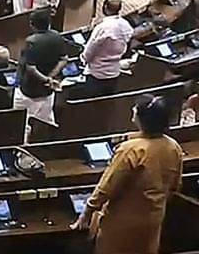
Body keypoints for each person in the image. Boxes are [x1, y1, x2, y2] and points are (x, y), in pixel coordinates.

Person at [71, 95, 183, 254]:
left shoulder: (130, 150)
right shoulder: (173, 146)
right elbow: (175, 186)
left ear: (142, 118)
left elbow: (107, 186)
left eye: (135, 108)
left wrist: (87, 213)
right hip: (153, 219)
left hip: (122, 222)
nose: (133, 109)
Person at [13, 9, 66, 140]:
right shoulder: (57, 37)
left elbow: (30, 68)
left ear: (32, 24)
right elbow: (64, 59)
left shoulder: (31, 41)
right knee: (46, 122)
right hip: (48, 90)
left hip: (28, 91)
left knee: (20, 124)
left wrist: (46, 78)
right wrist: (51, 77)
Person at [81, 0, 132, 98]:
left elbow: (90, 50)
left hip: (96, 75)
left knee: (92, 105)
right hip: (114, 73)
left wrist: (83, 59)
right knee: (106, 104)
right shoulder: (126, 25)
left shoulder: (102, 28)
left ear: (104, 7)